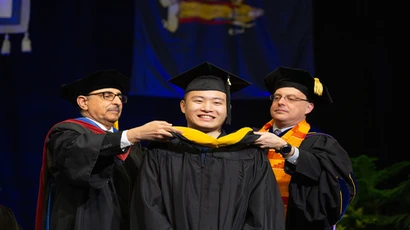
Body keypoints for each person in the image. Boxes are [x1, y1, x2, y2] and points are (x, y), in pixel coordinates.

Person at [131, 62, 285, 229]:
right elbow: (148, 209)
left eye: (217, 103)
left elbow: (263, 214)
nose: (207, 108)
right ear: (183, 106)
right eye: (198, 101)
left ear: (228, 109)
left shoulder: (249, 155)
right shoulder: (161, 151)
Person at [35, 70, 181, 230]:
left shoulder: (129, 144)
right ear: (83, 102)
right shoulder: (65, 133)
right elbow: (80, 154)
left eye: (120, 97)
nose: (117, 102)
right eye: (107, 95)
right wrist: (135, 134)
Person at [253, 66, 358, 229]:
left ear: (309, 107)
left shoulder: (322, 143)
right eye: (277, 97)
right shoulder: (251, 139)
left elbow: (334, 183)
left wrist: (286, 148)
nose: (281, 102)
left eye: (291, 99)